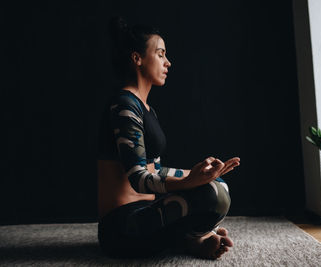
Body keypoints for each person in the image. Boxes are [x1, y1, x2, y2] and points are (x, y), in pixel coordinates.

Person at [96, 16, 240, 260]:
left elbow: (157, 170)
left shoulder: (146, 109)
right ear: (137, 58)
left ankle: (191, 238)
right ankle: (193, 238)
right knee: (212, 195)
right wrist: (190, 182)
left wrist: (199, 175)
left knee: (218, 185)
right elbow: (139, 179)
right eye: (160, 54)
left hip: (149, 213)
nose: (168, 62)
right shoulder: (124, 105)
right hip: (121, 227)